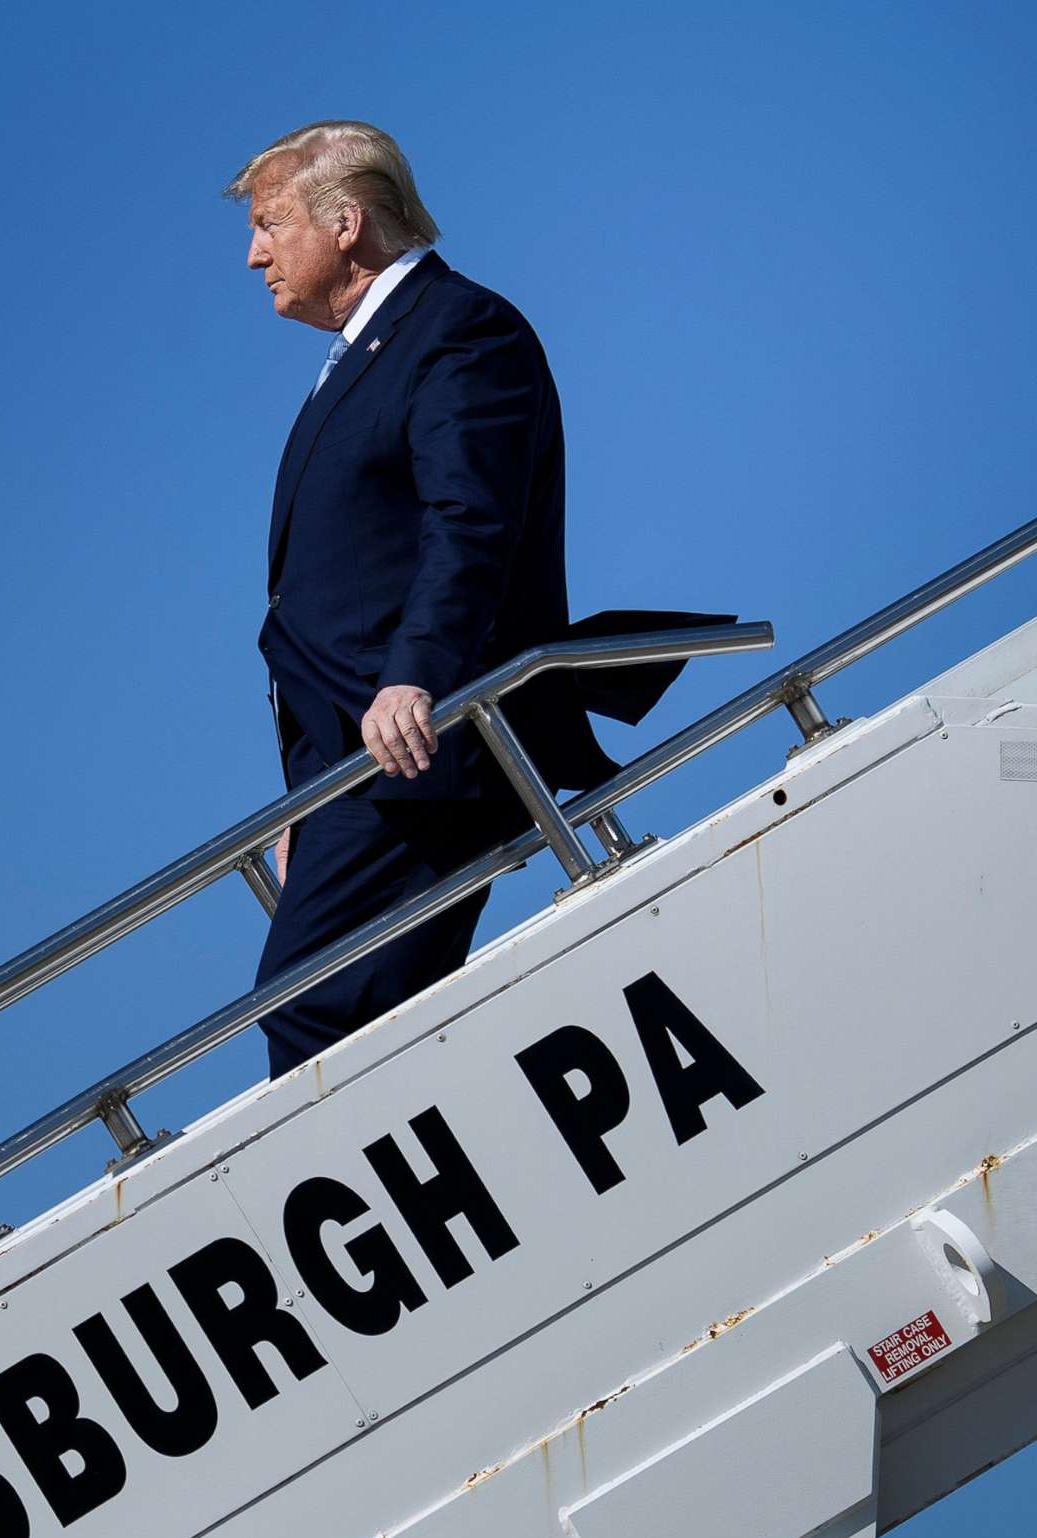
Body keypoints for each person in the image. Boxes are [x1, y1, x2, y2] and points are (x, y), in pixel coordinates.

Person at [230, 120, 717, 1078]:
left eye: (270, 224)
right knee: (332, 1014)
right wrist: (305, 799)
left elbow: (471, 525)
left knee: (318, 1012)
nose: (254, 255)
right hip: (353, 769)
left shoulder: (459, 332)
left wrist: (417, 679)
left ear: (345, 223)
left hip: (422, 751)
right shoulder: (368, 356)